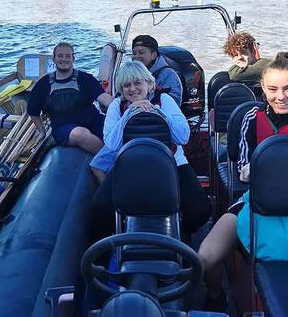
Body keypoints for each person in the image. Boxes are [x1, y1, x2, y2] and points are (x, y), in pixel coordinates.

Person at [198, 52, 288, 312]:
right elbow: (242, 167)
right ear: (262, 87)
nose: (281, 96)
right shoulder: (251, 116)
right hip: (255, 205)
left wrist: (275, 170)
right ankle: (217, 296)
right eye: (273, 89)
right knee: (206, 257)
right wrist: (251, 170)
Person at [90, 61, 211, 241]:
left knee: (200, 210)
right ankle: (111, 249)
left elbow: (183, 137)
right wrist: (129, 114)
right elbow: (112, 144)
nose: (133, 89)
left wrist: (158, 113)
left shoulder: (164, 100)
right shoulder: (117, 106)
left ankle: (182, 235)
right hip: (129, 166)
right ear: (121, 89)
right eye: (127, 85)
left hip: (171, 163)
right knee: (99, 210)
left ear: (149, 83)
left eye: (137, 83)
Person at [28, 42, 113, 155]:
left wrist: (127, 107)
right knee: (81, 134)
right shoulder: (43, 84)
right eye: (60, 56)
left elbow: (105, 99)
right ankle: (110, 159)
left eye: (67, 56)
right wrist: (42, 132)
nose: (64, 59)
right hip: (63, 128)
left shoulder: (85, 78)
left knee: (114, 130)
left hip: (93, 121)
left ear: (73, 58)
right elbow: (33, 112)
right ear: (54, 59)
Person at [132, 35, 183, 107]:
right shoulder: (129, 74)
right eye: (134, 53)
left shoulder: (169, 75)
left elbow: (173, 105)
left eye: (141, 53)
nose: (136, 56)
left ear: (153, 55)